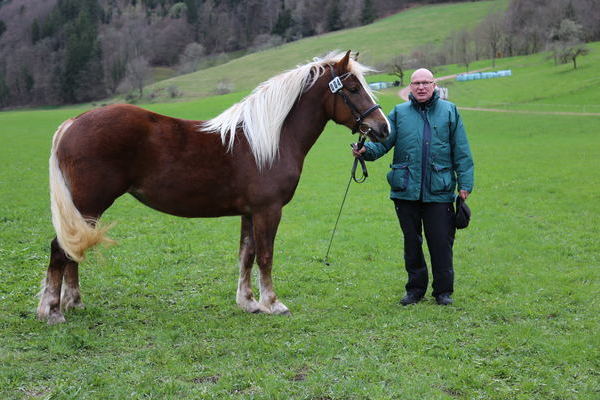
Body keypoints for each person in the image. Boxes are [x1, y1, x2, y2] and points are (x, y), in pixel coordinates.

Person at [353, 68, 474, 306]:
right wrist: (366, 152)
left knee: (441, 242)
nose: (420, 87)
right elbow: (383, 144)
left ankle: (443, 292)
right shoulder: (399, 113)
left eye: (425, 83)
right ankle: (415, 290)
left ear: (434, 85)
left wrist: (465, 183)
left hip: (439, 191)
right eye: (416, 83)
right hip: (405, 190)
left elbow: (462, 150)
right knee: (412, 243)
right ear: (410, 86)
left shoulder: (450, 112)